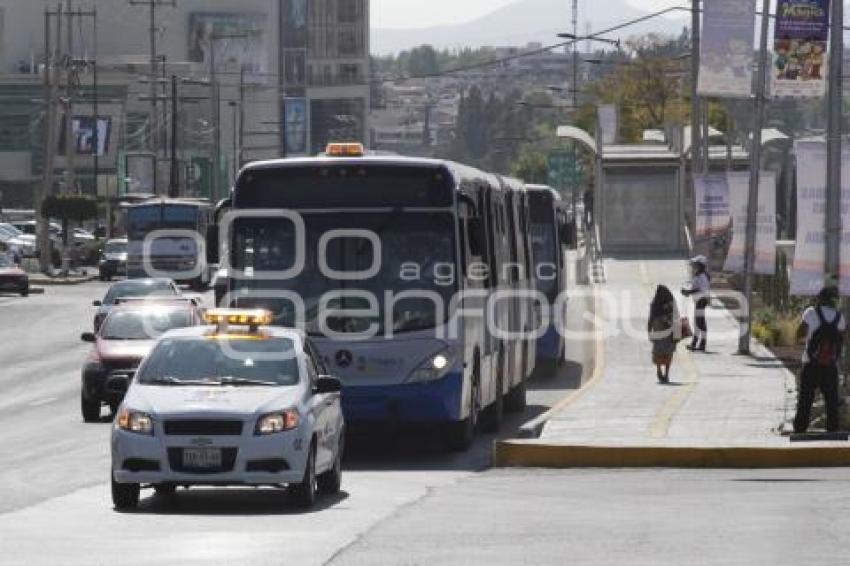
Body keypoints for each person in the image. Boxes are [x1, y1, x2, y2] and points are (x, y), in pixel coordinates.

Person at [793, 286, 846, 434]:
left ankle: (800, 427)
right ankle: (832, 428)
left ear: (820, 299)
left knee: (805, 398)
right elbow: (842, 338)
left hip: (810, 363)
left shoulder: (811, 312)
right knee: (831, 399)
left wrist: (801, 342)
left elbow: (799, 334)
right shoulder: (839, 317)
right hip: (830, 365)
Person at [648, 285, 680, 384]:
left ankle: (659, 370)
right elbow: (676, 317)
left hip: (658, 330)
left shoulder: (655, 303)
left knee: (658, 353)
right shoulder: (671, 303)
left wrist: (649, 331)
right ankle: (666, 374)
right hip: (669, 332)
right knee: (668, 354)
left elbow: (651, 318)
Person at [681, 255, 710, 352]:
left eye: (696, 265)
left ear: (701, 265)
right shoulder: (698, 275)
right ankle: (698, 344)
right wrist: (687, 292)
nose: (694, 266)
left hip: (701, 301)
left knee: (700, 323)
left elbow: (700, 289)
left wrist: (688, 292)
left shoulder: (702, 276)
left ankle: (699, 344)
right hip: (699, 301)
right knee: (699, 323)